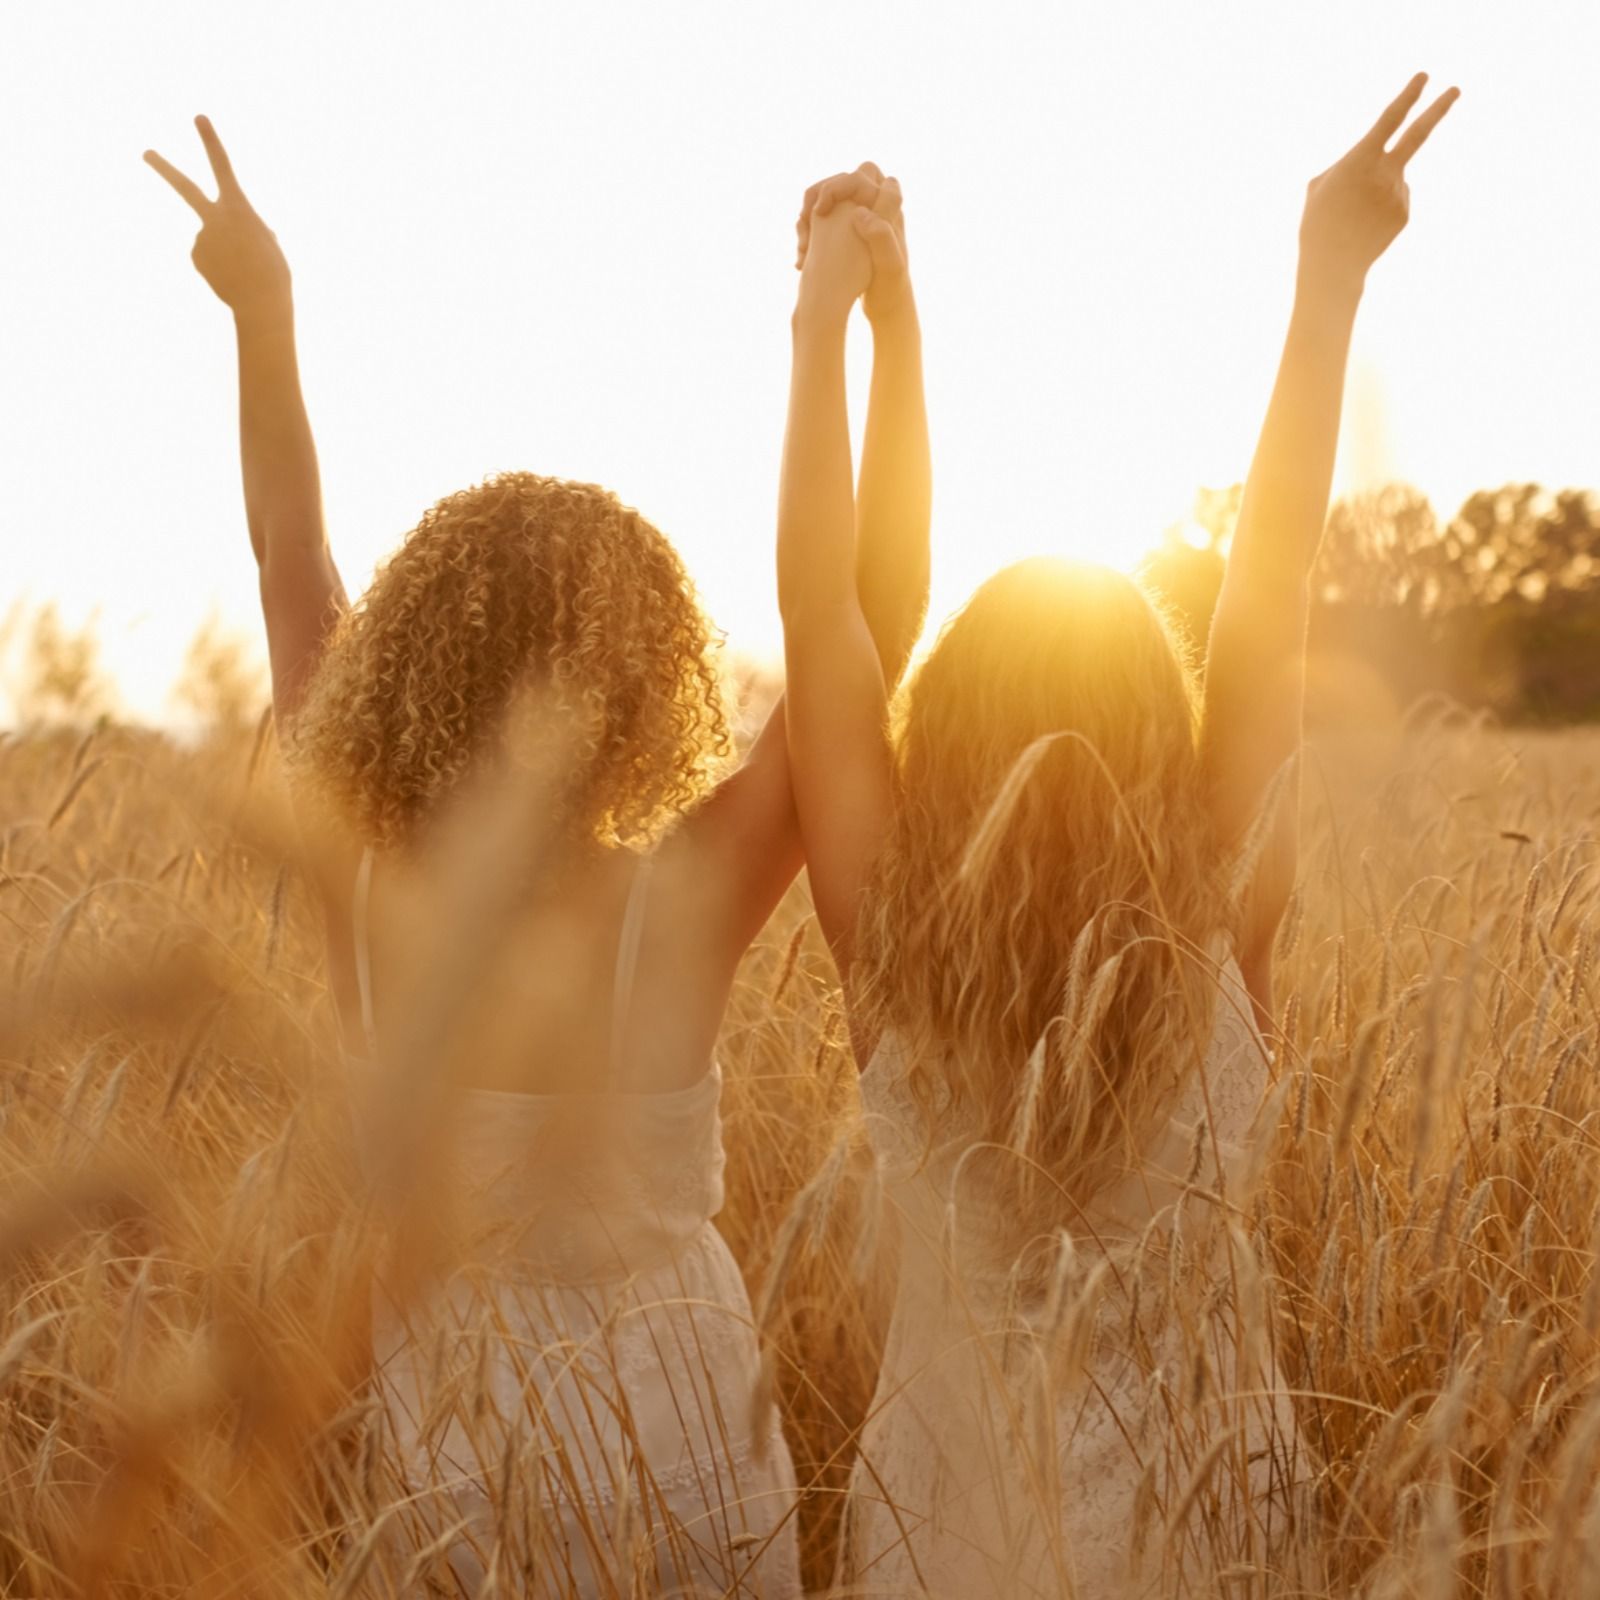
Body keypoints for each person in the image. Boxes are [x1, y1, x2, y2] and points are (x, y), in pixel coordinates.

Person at [143, 121, 929, 1596]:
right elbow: (861, 621)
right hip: (689, 1431)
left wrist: (265, 310)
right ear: (643, 681)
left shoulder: (357, 871)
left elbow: (288, 555)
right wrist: (853, 326)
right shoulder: (682, 893)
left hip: (462, 1453)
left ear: (409, 662)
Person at [778, 80, 1457, 1596]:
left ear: (939, 735)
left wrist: (847, 322)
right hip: (1204, 1525)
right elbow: (1270, 568)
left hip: (942, 1537)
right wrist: (1326, 275)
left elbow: (824, 613)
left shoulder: (884, 930)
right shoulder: (1226, 893)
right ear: (1165, 717)